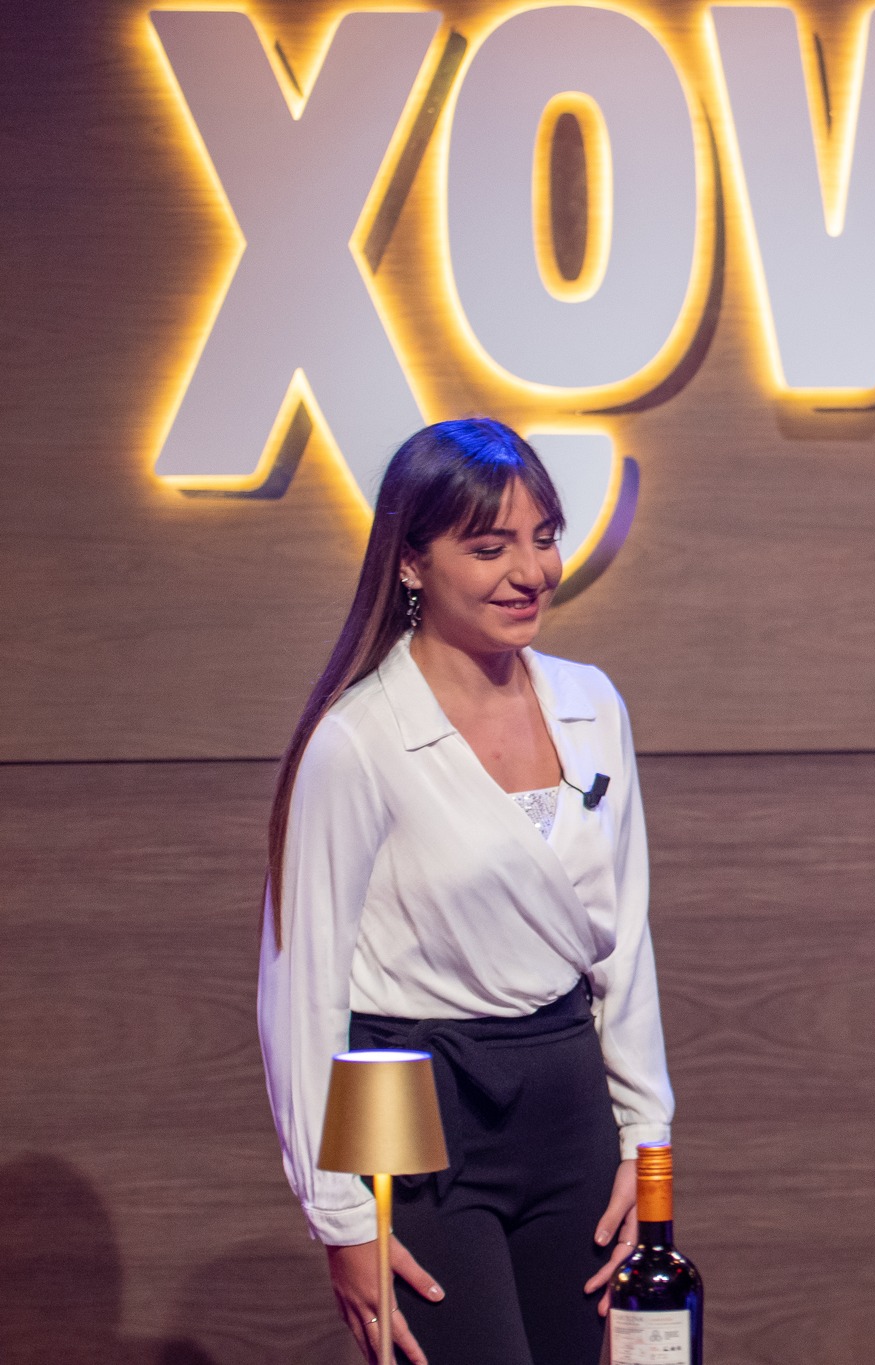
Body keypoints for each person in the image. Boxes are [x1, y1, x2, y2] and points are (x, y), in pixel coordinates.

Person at [257, 419, 670, 1365]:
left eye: (543, 537)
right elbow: (302, 989)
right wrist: (339, 1218)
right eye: (489, 548)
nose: (530, 571)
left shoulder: (593, 703)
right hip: (416, 1106)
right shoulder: (357, 740)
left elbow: (626, 941)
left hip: (570, 1100)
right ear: (411, 561)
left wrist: (646, 1137)